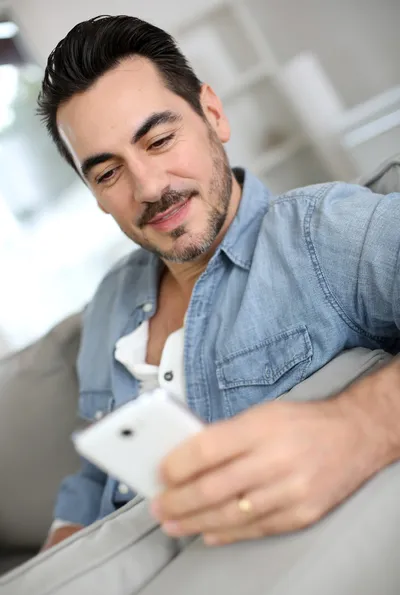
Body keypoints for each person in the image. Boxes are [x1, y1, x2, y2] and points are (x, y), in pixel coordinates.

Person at [37, 14, 400, 552]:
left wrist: (359, 427)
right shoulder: (110, 300)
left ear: (212, 113)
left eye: (159, 140)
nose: (150, 187)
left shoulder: (321, 233)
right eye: (108, 173)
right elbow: (94, 478)